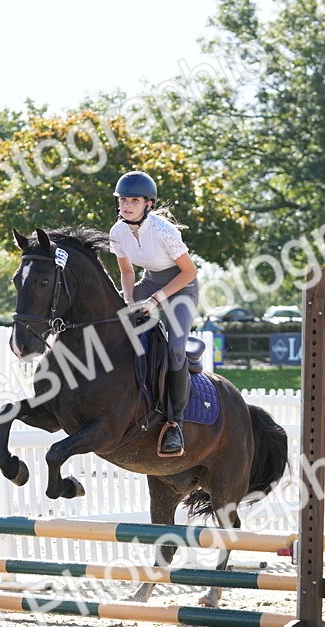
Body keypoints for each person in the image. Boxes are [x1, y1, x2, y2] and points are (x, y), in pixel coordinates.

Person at [109, 170, 200, 457]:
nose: (126, 205)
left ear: (148, 204)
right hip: (149, 282)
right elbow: (127, 272)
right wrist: (127, 299)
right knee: (112, 319)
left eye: (134, 200)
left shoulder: (163, 231)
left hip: (181, 289)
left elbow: (189, 272)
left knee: (175, 350)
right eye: (123, 200)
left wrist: (154, 300)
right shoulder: (118, 231)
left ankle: (175, 424)